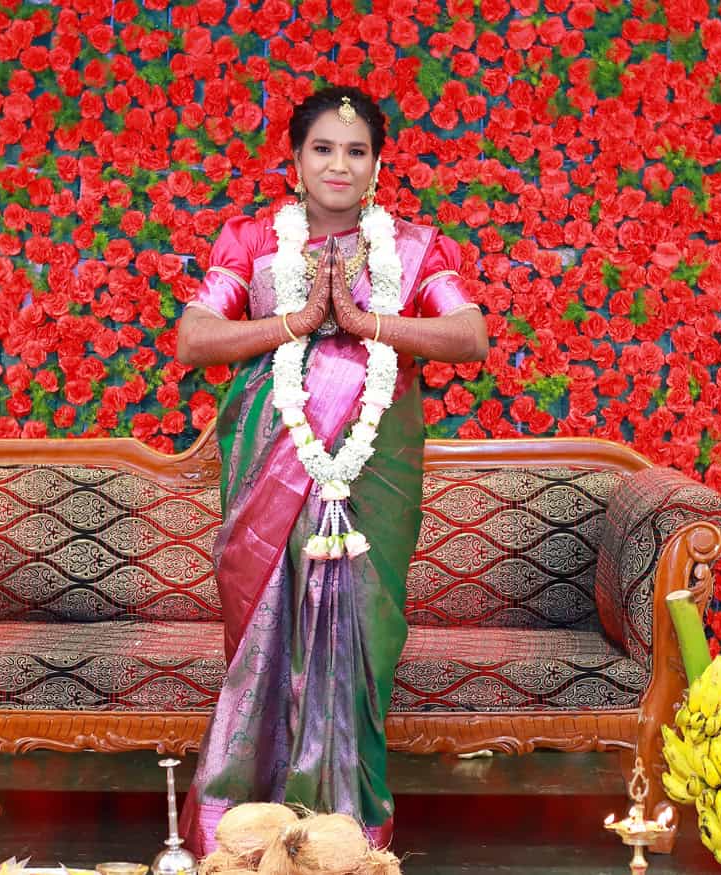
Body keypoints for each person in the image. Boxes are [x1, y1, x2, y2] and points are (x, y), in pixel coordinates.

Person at [175, 85, 488, 854]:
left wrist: (365, 324)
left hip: (372, 473)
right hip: (266, 470)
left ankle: (346, 839)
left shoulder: (414, 249)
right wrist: (293, 323)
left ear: (378, 166)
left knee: (356, 635)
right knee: (264, 641)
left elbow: (468, 334)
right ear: (294, 162)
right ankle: (240, 837)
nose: (338, 164)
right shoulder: (251, 242)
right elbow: (194, 338)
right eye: (322, 148)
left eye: (355, 151)